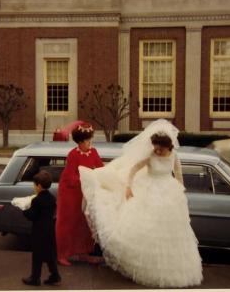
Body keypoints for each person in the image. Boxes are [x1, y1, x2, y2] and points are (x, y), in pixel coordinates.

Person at [79, 119, 203, 288]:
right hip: (148, 189)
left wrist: (180, 192)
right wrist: (129, 186)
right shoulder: (150, 155)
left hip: (168, 192)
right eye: (156, 147)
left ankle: (167, 271)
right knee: (146, 228)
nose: (158, 151)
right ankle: (143, 267)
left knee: (169, 232)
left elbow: (178, 174)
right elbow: (133, 170)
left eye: (161, 148)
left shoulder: (174, 156)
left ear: (169, 146)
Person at [56, 122, 104, 266]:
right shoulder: (73, 155)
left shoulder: (93, 152)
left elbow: (100, 169)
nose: (91, 142)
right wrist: (87, 180)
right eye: (88, 140)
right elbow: (71, 176)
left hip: (85, 193)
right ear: (81, 142)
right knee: (68, 223)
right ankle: (62, 254)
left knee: (84, 223)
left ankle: (83, 253)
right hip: (70, 194)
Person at [22, 170, 61, 286]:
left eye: (34, 185)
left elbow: (32, 215)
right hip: (49, 230)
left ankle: (35, 278)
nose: (34, 187)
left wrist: (24, 210)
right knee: (50, 255)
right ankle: (55, 275)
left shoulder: (36, 200)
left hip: (39, 232)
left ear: (39, 186)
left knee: (37, 256)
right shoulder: (52, 198)